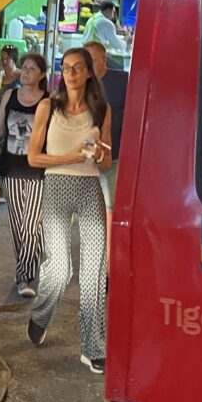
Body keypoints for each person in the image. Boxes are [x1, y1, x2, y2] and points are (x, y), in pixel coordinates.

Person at [26, 47, 111, 375]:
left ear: (89, 72)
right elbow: (34, 158)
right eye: (67, 67)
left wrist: (99, 150)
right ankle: (41, 315)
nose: (72, 73)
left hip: (90, 187)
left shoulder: (101, 109)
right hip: (57, 185)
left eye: (78, 68)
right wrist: (71, 158)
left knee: (94, 271)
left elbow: (105, 161)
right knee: (60, 268)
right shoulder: (48, 106)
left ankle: (93, 348)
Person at [0, 53, 49, 298]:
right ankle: (26, 266)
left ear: (41, 75)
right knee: (17, 224)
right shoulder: (9, 96)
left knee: (31, 224)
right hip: (11, 168)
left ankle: (24, 276)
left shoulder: (47, 101)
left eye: (32, 69)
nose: (25, 72)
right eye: (24, 68)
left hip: (38, 171)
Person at [84, 40, 127, 259]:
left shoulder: (122, 81)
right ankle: (95, 260)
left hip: (114, 157)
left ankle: (109, 264)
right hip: (84, 161)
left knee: (109, 211)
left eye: (91, 59)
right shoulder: (79, 83)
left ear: (104, 59)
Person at [0, 44, 21, 125]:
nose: (4, 62)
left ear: (14, 59)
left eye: (7, 59)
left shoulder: (21, 76)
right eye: (2, 59)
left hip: (15, 120)